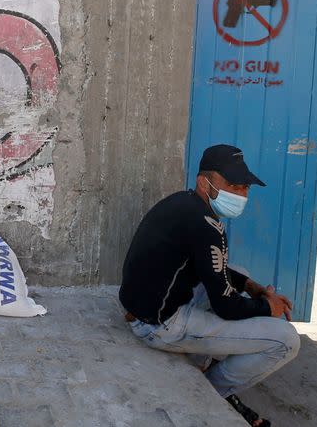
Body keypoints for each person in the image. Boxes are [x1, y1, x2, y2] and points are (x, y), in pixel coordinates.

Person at [119, 144, 300, 427]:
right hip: (159, 325)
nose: (241, 194)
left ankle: (203, 360)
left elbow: (207, 266)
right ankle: (213, 391)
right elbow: (226, 306)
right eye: (233, 185)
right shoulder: (207, 227)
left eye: (245, 187)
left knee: (238, 273)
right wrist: (267, 307)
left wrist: (250, 286)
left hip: (143, 306)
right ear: (204, 182)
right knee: (286, 340)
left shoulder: (184, 203)